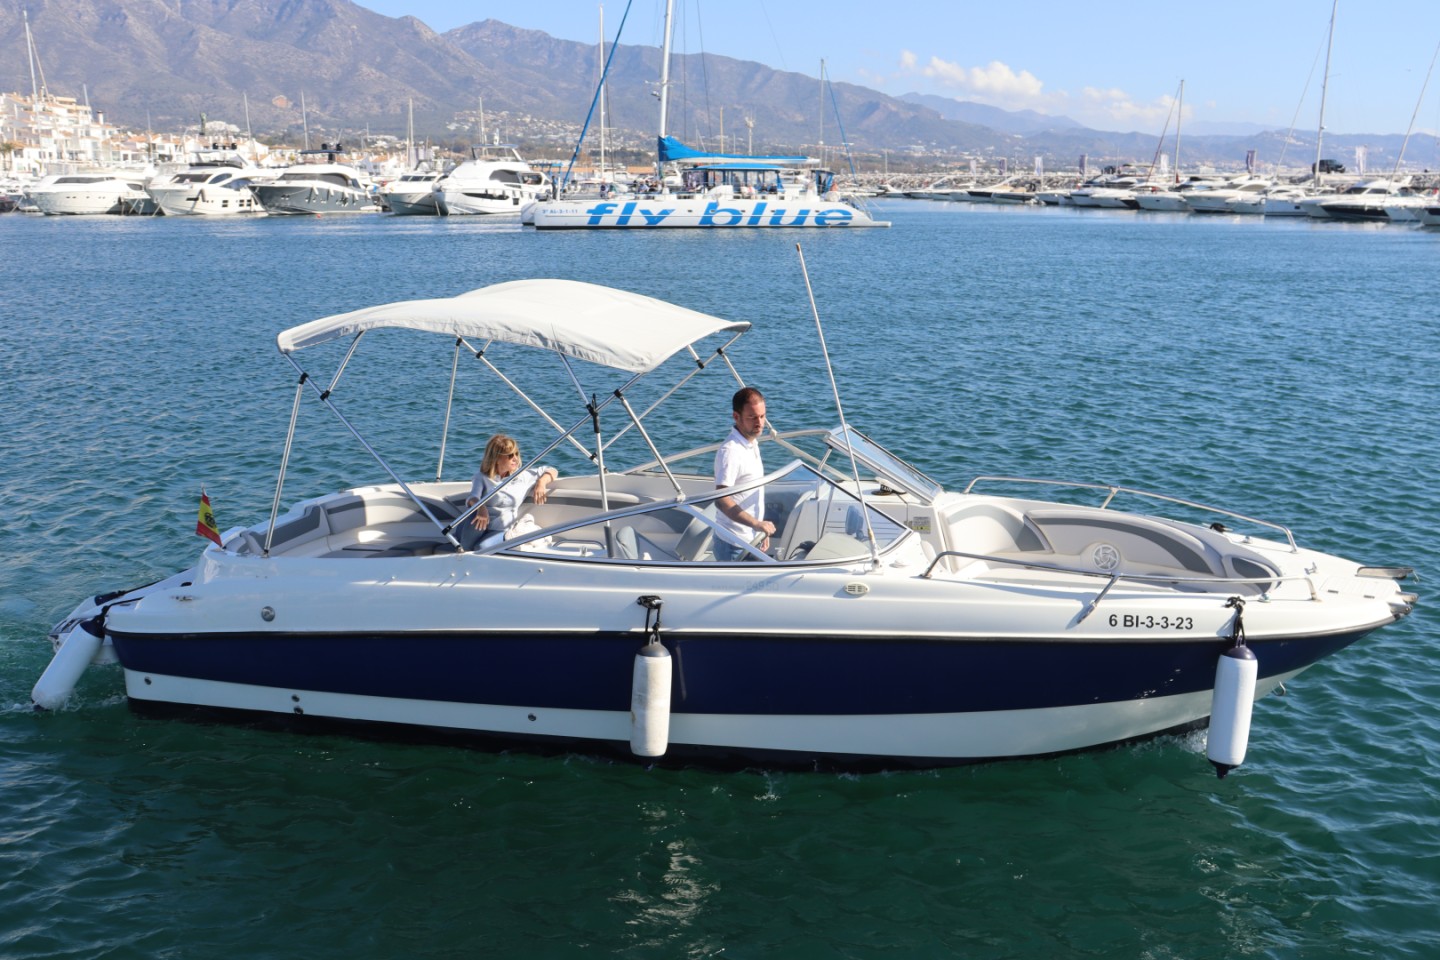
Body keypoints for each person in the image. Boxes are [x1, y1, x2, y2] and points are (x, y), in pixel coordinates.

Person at [464, 434, 558, 550]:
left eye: (516, 454)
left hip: (501, 529)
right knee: (462, 547)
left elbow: (552, 470)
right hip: (480, 525)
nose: (515, 458)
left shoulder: (523, 477)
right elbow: (473, 497)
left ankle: (518, 533)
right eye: (510, 455)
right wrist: (481, 507)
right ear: (496, 458)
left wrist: (541, 483)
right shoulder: (482, 477)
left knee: (480, 548)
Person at [713, 386, 776, 561]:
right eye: (752, 417)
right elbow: (722, 501)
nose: (759, 423)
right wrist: (757, 524)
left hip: (751, 538)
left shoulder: (751, 442)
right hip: (733, 545)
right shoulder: (731, 451)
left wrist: (760, 531)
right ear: (736, 416)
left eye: (762, 416)